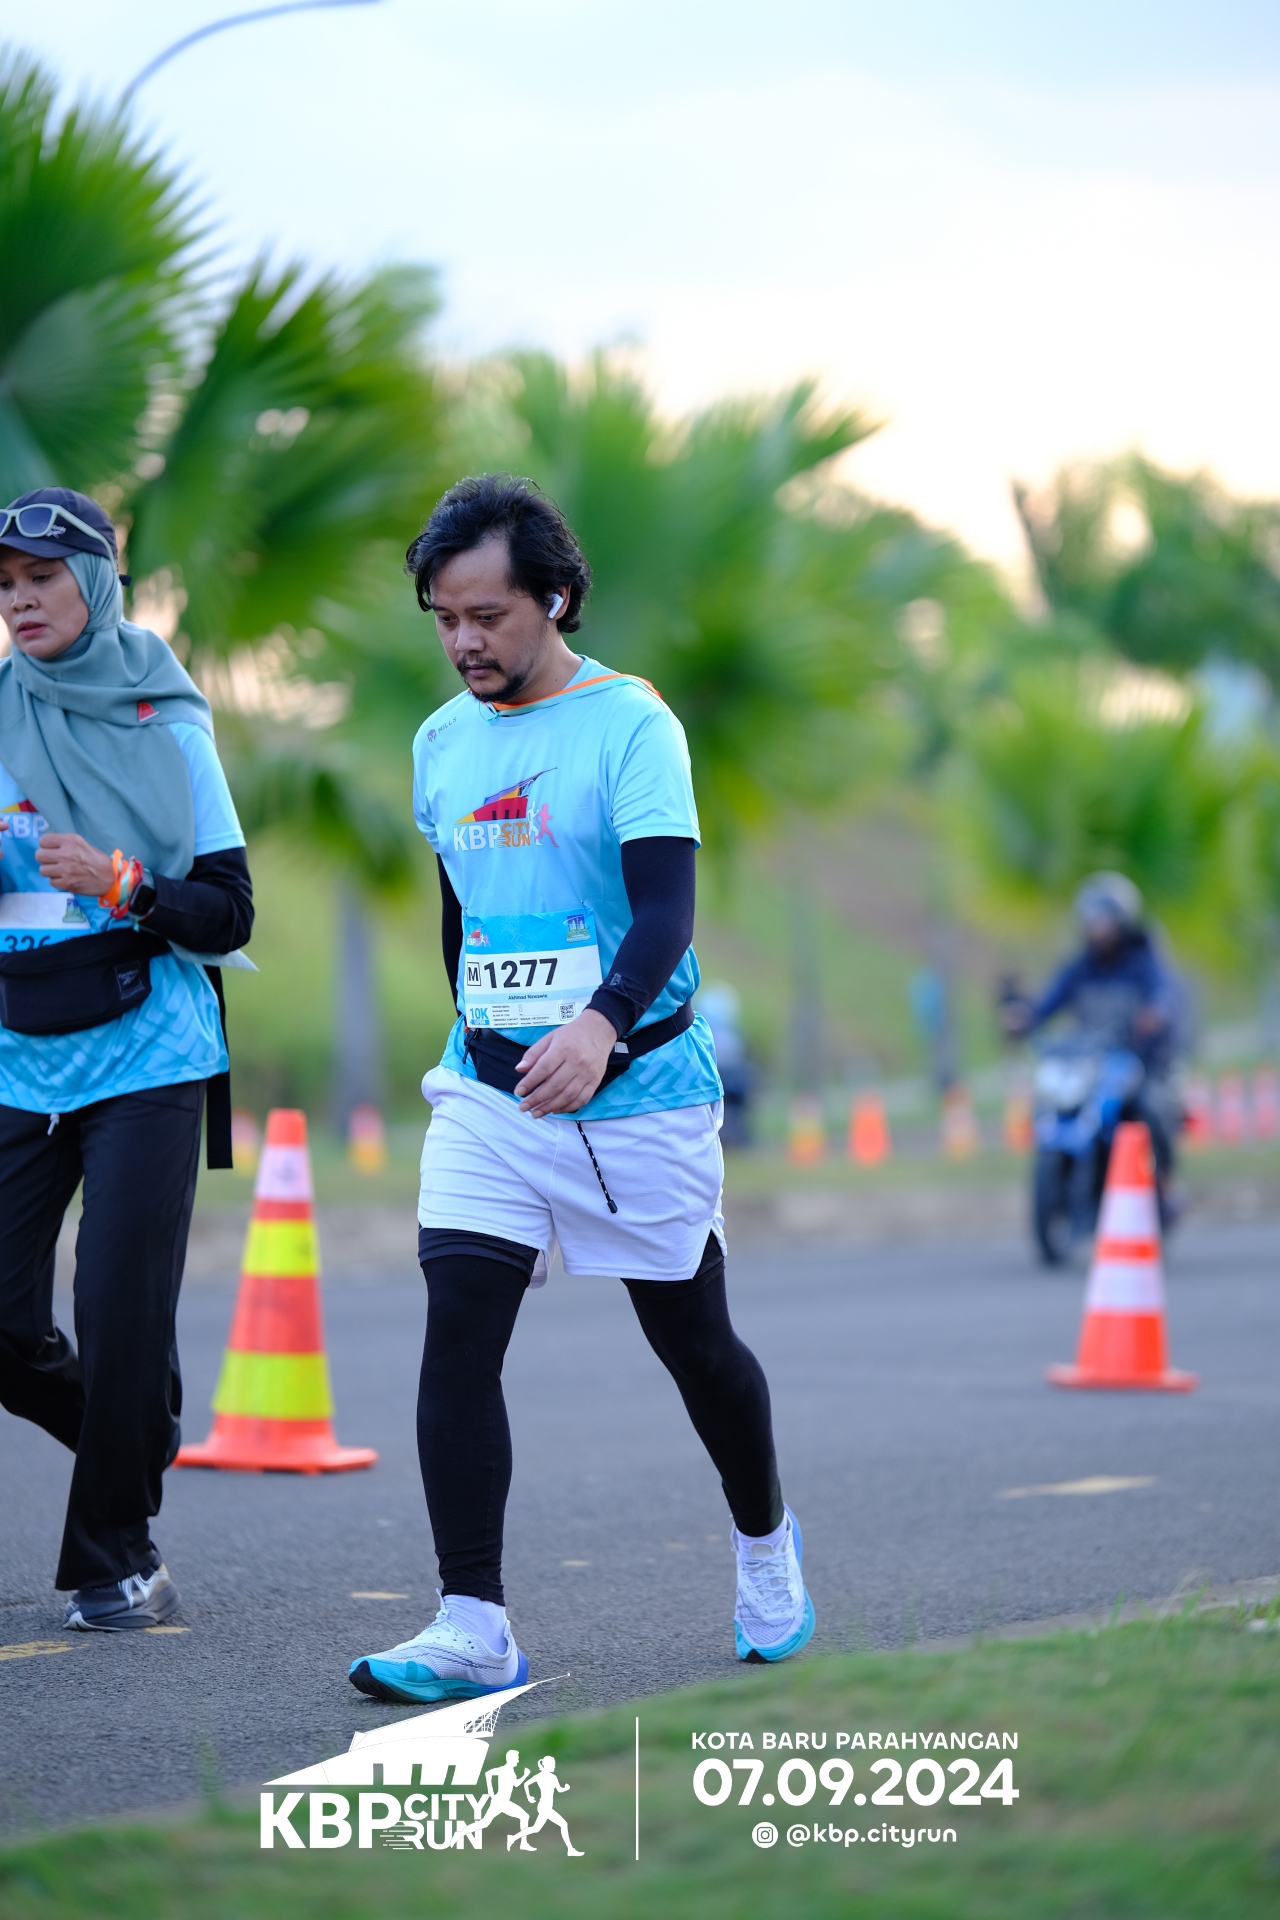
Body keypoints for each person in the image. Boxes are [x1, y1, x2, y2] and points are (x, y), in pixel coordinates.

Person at [347, 474, 813, 1705]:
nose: (463, 642)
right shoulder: (440, 743)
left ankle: (764, 1539)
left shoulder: (630, 725)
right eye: (443, 619)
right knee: (457, 1333)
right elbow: (460, 915)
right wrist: (490, 1039)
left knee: (694, 1344)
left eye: (486, 615)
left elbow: (665, 910)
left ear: (552, 599)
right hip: (491, 1094)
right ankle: (471, 1624)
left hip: (637, 1089)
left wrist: (600, 1025)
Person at [0, 489, 253, 1631]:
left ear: (97, 583)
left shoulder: (166, 722)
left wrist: (126, 884)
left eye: (42, 578)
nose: (21, 602)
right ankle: (134, 1429)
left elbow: (229, 911)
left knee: (118, 1309)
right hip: (19, 1046)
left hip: (150, 1044)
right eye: (6, 586)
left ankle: (118, 1557)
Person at [1000, 870, 1184, 1167]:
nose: (1097, 928)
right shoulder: (1080, 967)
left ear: (1122, 919)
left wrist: (1156, 1013)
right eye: (1091, 919)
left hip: (1137, 1060)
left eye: (1104, 919)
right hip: (1093, 1062)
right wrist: (1027, 1018)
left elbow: (1162, 994)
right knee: (1057, 1107)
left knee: (1148, 1108)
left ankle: (1163, 1178)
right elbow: (1050, 1001)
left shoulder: (1143, 961)